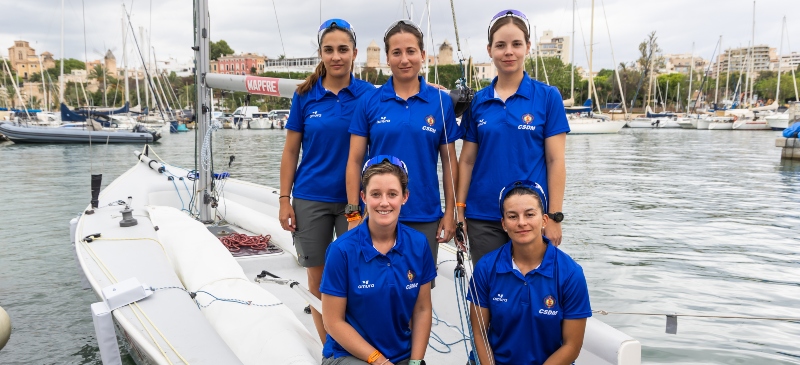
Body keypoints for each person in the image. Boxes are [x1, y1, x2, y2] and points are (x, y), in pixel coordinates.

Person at [279, 18, 375, 343]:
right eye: (329, 50)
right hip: (311, 199)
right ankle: (329, 351)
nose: (336, 56)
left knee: (357, 276)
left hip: (355, 202)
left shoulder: (368, 95)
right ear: (320, 53)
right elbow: (291, 151)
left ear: (354, 53)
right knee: (318, 281)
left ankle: (358, 345)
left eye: (343, 49)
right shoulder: (305, 95)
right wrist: (284, 199)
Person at [346, 20, 463, 274]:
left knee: (420, 288)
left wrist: (450, 213)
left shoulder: (441, 102)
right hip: (377, 213)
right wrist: (354, 213)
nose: (404, 59)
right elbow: (354, 161)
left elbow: (449, 163)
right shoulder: (369, 101)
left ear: (422, 55)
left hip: (424, 214)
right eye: (396, 52)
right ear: (387, 58)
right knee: (375, 286)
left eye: (411, 51)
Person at [456, 9, 569, 265]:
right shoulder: (478, 102)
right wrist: (459, 211)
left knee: (533, 285)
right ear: (489, 50)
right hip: (483, 217)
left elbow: (555, 161)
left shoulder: (548, 97)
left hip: (530, 217)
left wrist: (554, 216)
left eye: (516, 44)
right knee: (488, 285)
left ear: (527, 47)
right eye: (501, 45)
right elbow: (467, 161)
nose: (509, 52)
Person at [321, 156, 435, 365]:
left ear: (405, 197)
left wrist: (416, 362)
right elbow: (332, 322)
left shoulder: (418, 244)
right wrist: (380, 361)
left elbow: (422, 309)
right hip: (349, 354)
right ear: (363, 197)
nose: (384, 202)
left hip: (401, 355)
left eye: (392, 194)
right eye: (375, 194)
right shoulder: (341, 250)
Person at [468, 180, 591, 365]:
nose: (521, 222)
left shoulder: (570, 274)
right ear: (503, 224)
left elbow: (571, 346)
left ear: (544, 220)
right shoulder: (486, 267)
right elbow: (479, 333)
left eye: (530, 214)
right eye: (512, 216)